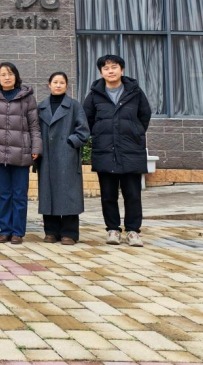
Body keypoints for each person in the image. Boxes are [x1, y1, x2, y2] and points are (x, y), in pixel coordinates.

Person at [83, 55, 152, 247]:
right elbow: (86, 119)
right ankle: (112, 229)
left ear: (122, 70)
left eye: (114, 67)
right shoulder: (95, 94)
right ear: (101, 72)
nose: (111, 71)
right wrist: (98, 135)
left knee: (133, 194)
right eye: (106, 68)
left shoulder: (135, 92)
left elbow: (145, 115)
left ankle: (133, 231)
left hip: (131, 150)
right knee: (108, 195)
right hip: (105, 150)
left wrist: (135, 132)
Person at [0, 62, 42, 245]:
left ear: (16, 76)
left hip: (22, 153)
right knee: (4, 194)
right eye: (3, 74)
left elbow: (34, 126)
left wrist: (36, 148)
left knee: (20, 195)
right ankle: (5, 230)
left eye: (10, 74)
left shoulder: (28, 98)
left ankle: (17, 232)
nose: (7, 77)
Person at [37, 72, 90, 245]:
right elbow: (35, 130)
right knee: (48, 193)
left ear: (67, 85)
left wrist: (70, 143)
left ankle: (69, 233)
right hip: (47, 157)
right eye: (55, 82)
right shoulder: (41, 107)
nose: (58, 85)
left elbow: (83, 130)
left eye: (62, 82)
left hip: (67, 156)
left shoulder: (74, 106)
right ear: (49, 85)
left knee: (69, 193)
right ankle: (51, 231)